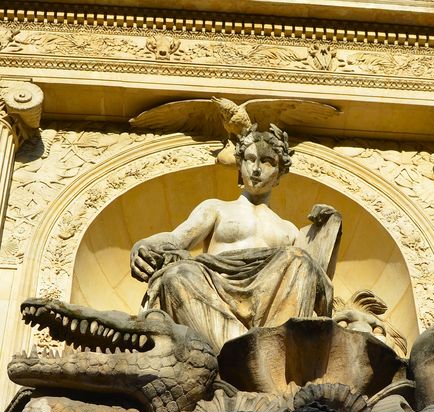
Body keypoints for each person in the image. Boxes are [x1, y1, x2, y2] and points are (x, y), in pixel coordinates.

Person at [130, 124, 333, 351]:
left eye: (267, 162)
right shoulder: (216, 209)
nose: (256, 169)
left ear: (279, 175)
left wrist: (330, 228)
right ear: (240, 165)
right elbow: (176, 239)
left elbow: (318, 283)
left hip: (270, 305)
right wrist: (143, 245)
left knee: (301, 261)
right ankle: (239, 353)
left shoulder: (289, 230)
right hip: (215, 293)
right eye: (250, 159)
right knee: (176, 275)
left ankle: (273, 350)